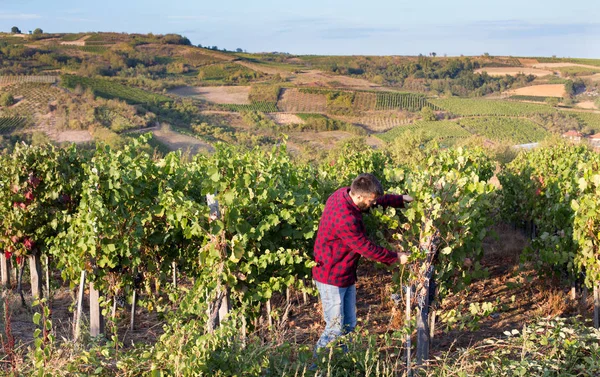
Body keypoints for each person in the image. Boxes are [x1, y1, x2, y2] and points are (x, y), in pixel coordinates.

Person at [312, 173, 412, 356]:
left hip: (345, 272)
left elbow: (373, 197)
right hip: (331, 276)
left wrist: (400, 200)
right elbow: (366, 248)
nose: (373, 204)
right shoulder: (345, 219)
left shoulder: (343, 193)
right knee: (334, 330)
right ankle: (316, 368)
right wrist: (397, 257)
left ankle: (341, 364)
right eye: (371, 202)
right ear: (359, 197)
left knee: (349, 326)